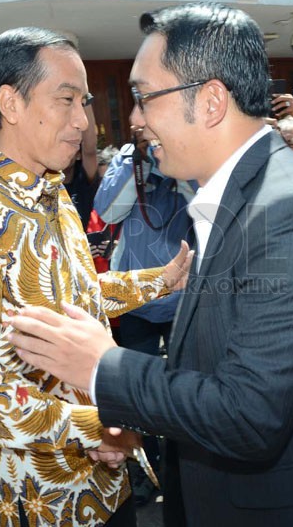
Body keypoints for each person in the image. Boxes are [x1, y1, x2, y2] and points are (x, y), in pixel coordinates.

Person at [7, 2, 293, 527]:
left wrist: (102, 366)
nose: (136, 120)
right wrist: (142, 414)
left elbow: (251, 414)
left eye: (144, 97)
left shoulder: (288, 213)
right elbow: (215, 365)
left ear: (211, 101)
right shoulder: (236, 194)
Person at [0, 26, 191, 527]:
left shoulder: (51, 189)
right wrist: (89, 427)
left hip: (103, 487)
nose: (82, 122)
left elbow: (76, 298)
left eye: (84, 102)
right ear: (11, 103)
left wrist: (164, 279)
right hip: (39, 502)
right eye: (66, 100)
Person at [93, 125, 195, 506]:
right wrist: (138, 158)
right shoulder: (127, 158)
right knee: (138, 391)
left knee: (186, 389)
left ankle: (183, 473)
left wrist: (171, 156)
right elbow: (106, 210)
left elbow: (203, 205)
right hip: (137, 298)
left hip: (184, 294)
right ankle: (146, 470)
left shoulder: (185, 151)